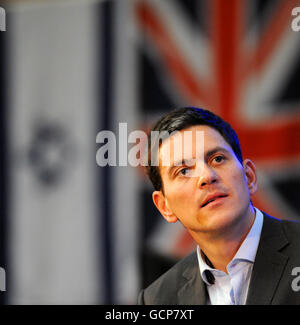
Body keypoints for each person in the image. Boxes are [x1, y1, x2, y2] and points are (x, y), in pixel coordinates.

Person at [138, 107, 300, 305]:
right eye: (183, 171)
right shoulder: (157, 300)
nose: (206, 176)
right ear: (165, 207)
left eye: (217, 159)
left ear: (249, 177)